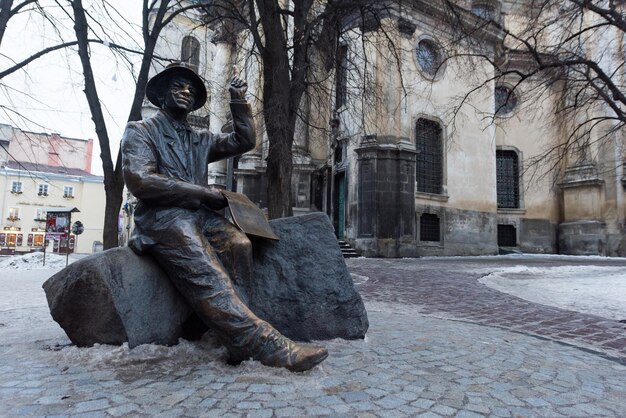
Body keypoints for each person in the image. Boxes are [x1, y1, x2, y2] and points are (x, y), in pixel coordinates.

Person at [121, 62, 328, 372]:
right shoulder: (141, 130)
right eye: (178, 86)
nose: (186, 91)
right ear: (162, 94)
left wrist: (238, 101)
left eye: (190, 89)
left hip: (197, 215)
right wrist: (202, 193)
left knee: (239, 244)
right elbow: (140, 180)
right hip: (163, 217)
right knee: (209, 273)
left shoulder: (199, 138)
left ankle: (234, 334)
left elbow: (244, 141)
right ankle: (261, 343)